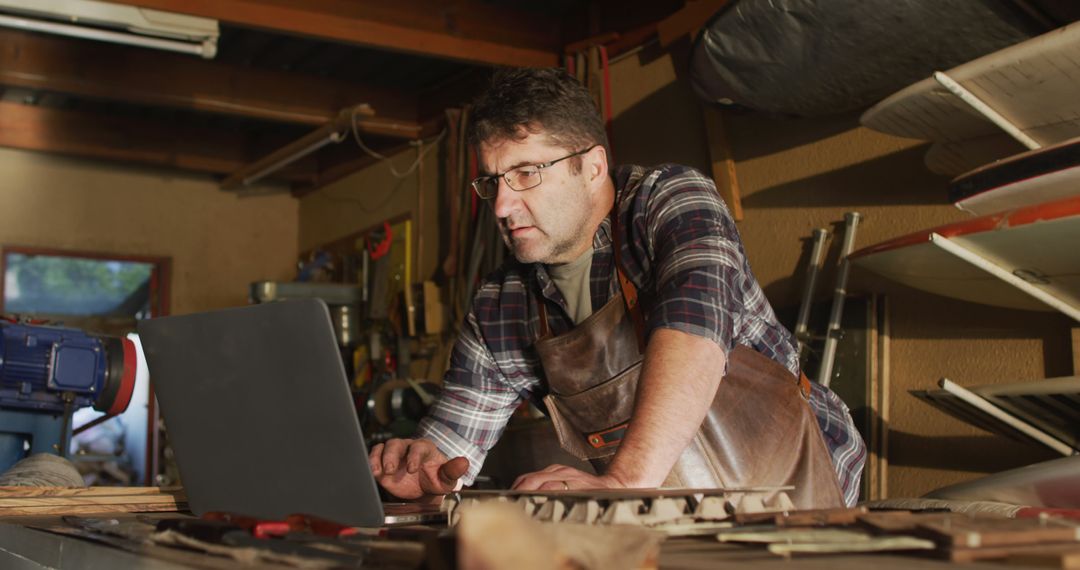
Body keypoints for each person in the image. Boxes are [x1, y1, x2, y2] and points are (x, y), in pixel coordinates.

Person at [369, 67, 866, 507]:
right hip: (671, 504)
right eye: (492, 181)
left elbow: (695, 327)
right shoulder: (501, 306)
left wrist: (626, 480)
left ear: (592, 167)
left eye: (525, 173)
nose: (500, 205)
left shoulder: (667, 202)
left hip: (799, 481)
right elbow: (453, 443)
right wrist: (426, 470)